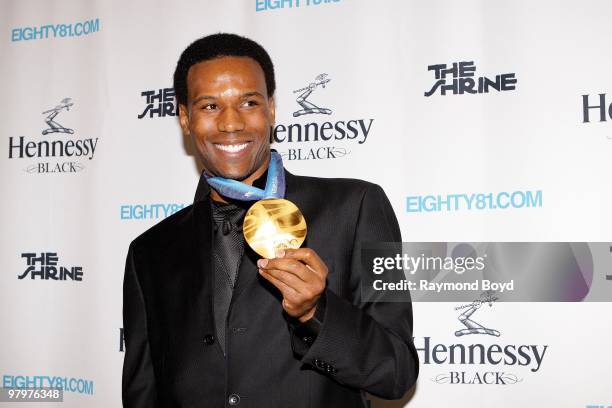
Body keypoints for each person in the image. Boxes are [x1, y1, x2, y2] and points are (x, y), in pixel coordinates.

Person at [122, 33, 419, 408]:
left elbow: (396, 372)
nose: (231, 124)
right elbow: (141, 391)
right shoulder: (150, 251)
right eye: (210, 106)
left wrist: (316, 313)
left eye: (249, 102)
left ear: (272, 109)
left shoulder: (356, 207)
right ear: (184, 117)